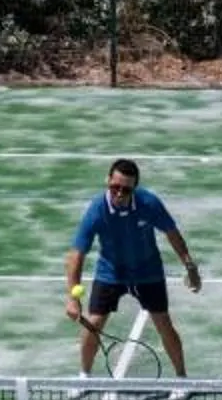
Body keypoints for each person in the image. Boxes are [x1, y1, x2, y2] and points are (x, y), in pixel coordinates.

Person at [62, 157, 202, 375]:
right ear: (108, 181)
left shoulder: (149, 204)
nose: (119, 193)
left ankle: (182, 378)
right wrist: (72, 297)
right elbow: (76, 255)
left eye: (126, 190)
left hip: (148, 272)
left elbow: (172, 234)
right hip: (111, 272)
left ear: (134, 188)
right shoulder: (97, 210)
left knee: (164, 324)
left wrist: (190, 268)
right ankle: (84, 376)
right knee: (93, 323)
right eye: (115, 187)